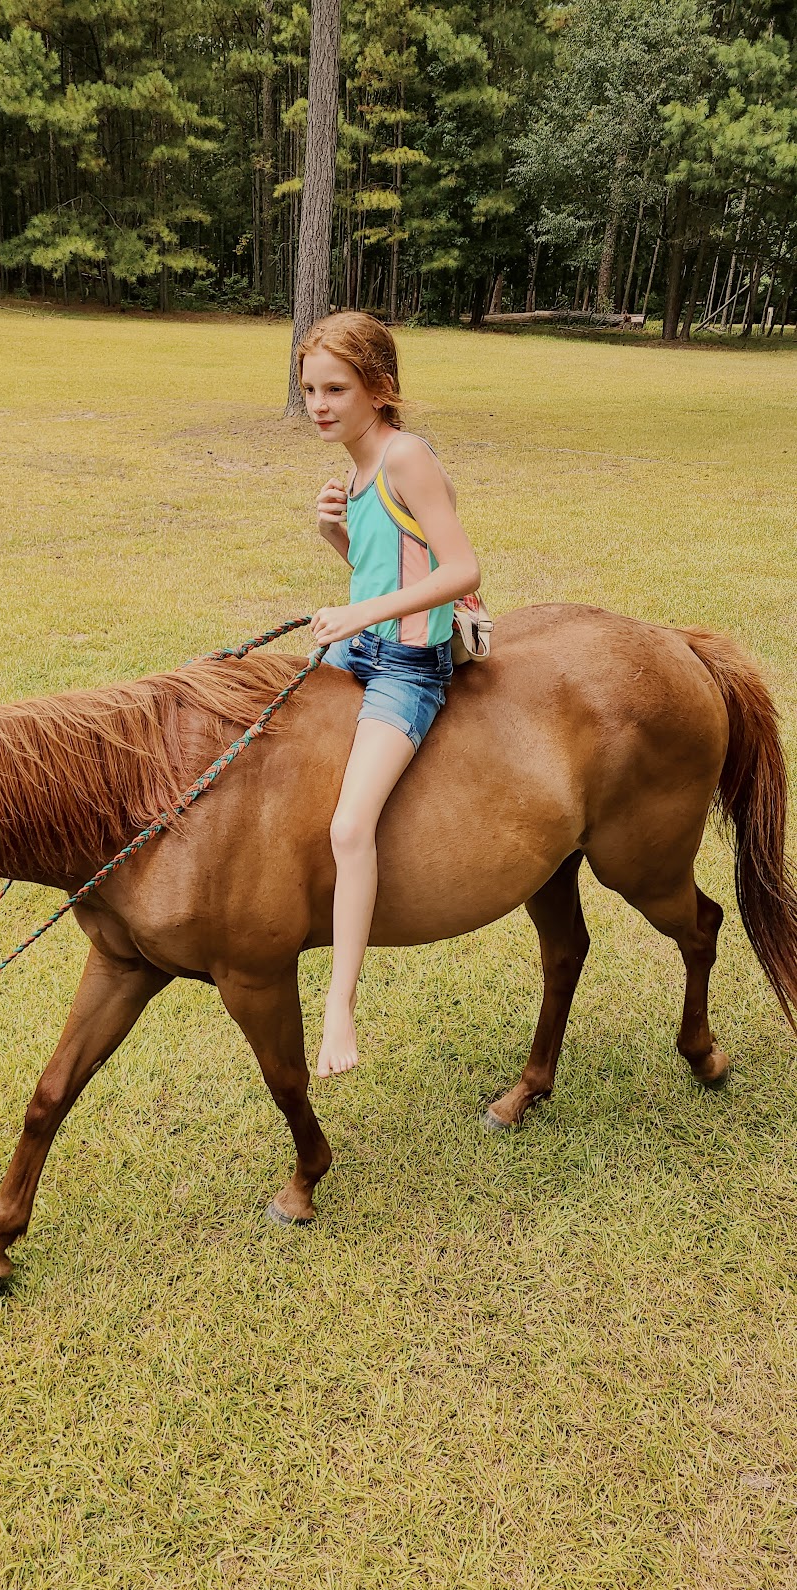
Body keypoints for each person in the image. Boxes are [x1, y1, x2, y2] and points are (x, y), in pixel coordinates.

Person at [301, 312, 481, 1079]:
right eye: (309, 389)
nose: (319, 404)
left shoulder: (406, 455)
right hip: (355, 649)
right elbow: (381, 569)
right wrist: (334, 537)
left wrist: (359, 612)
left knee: (348, 828)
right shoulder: (354, 466)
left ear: (379, 387)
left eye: (336, 388)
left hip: (406, 666)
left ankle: (340, 1003)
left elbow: (460, 570)